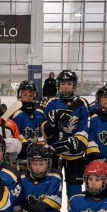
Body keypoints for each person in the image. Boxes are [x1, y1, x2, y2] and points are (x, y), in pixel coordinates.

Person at [41, 70, 90, 202]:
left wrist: (75, 142)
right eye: (63, 84)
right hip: (55, 154)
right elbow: (44, 130)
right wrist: (51, 123)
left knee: (74, 188)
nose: (66, 87)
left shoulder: (81, 103)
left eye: (69, 83)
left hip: (75, 155)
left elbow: (85, 127)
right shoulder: (51, 103)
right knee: (52, 188)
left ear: (74, 85)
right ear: (58, 85)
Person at [10, 80, 45, 171]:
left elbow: (44, 135)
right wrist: (29, 146)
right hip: (20, 161)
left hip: (37, 162)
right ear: (20, 96)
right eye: (24, 95)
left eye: (30, 95)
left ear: (35, 95)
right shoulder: (16, 115)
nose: (28, 98)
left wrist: (41, 146)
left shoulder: (41, 113)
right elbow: (17, 136)